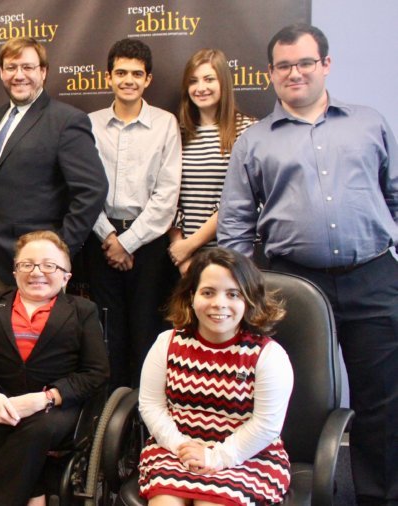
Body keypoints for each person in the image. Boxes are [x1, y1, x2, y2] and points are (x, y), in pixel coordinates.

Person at [218, 23, 397, 504]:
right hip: (291, 284)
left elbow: (395, 195)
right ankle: (288, 489)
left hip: (373, 277)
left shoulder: (369, 123)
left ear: (325, 65)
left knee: (382, 398)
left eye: (304, 63)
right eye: (283, 66)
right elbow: (234, 225)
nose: (294, 73)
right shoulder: (254, 141)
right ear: (271, 74)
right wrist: (239, 294)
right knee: (288, 398)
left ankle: (380, 496)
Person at [0, 230, 109, 506]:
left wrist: (45, 398)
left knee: (38, 427)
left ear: (66, 276)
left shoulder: (83, 311)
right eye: (27, 264)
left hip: (58, 406)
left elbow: (96, 372)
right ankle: (35, 493)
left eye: (49, 265)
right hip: (2, 397)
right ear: (15, 272)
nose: (36, 271)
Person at [138, 248, 292, 505]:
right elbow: (151, 405)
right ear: (191, 296)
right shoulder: (166, 343)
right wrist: (182, 448)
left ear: (249, 300)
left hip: (247, 457)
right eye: (208, 292)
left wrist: (216, 457)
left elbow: (266, 425)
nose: (219, 303)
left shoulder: (269, 356)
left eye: (233, 294)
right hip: (176, 450)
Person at [0, 37, 108, 295]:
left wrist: (58, 251)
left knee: (38, 336)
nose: (19, 75)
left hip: (38, 270)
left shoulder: (66, 121)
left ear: (43, 72)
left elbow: (92, 190)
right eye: (11, 67)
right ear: (1, 72)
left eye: (27, 67)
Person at [87, 38, 182, 389]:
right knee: (107, 335)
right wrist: (110, 238)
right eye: (121, 73)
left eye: (137, 74)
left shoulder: (165, 124)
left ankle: (144, 423)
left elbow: (167, 196)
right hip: (100, 242)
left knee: (147, 334)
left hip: (150, 243)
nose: (129, 80)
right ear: (108, 77)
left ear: (148, 80)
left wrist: (127, 242)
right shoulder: (90, 124)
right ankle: (109, 425)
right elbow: (85, 190)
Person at [168, 49, 255, 276]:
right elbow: (169, 195)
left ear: (223, 83)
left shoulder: (247, 131)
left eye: (209, 79)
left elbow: (239, 201)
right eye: (193, 81)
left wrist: (192, 244)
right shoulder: (178, 132)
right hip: (184, 259)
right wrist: (179, 252)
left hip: (230, 254)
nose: (201, 88)